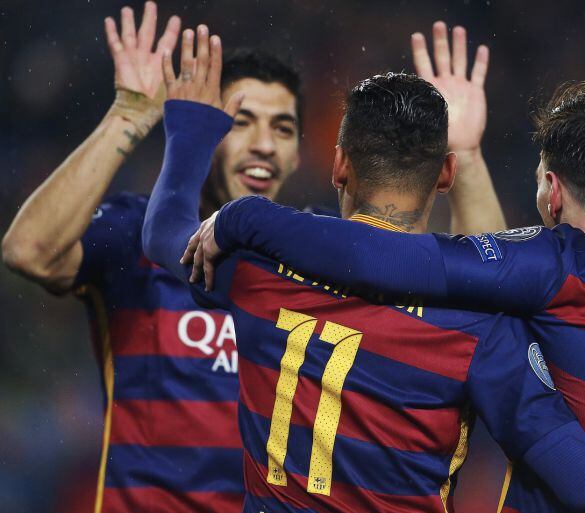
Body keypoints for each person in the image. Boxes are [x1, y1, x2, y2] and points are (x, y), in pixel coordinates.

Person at [143, 26, 585, 513]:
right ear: (445, 174)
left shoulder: (260, 269)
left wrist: (190, 128)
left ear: (338, 165)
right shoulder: (481, 326)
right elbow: (576, 472)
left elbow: (163, 232)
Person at [2, 6, 505, 512]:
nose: (263, 145)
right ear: (207, 131)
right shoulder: (137, 228)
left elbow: (483, 290)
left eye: (283, 129)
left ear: (308, 156)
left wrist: (467, 153)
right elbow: (29, 252)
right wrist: (129, 114)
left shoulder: (319, 259)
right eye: (239, 122)